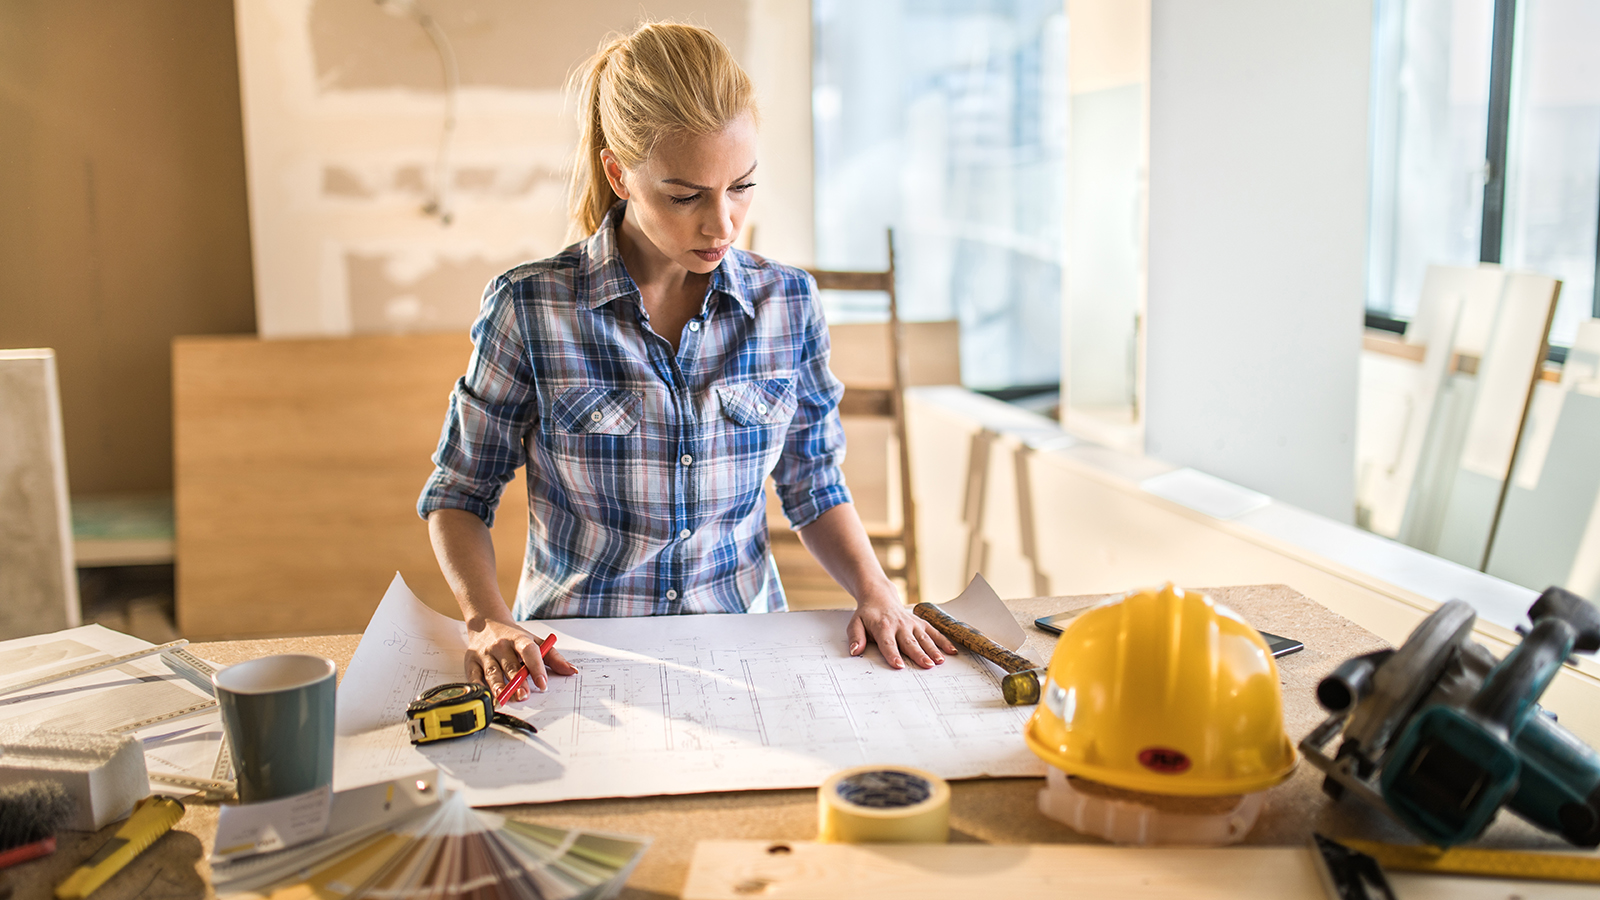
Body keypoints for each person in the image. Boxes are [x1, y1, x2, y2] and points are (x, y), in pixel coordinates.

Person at [418, 22, 956, 703]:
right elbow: (460, 493)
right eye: (686, 195)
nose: (723, 224)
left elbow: (813, 481)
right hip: (576, 664)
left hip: (745, 655)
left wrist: (878, 592)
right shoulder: (532, 309)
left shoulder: (788, 304)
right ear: (620, 174)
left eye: (742, 186)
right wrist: (485, 621)